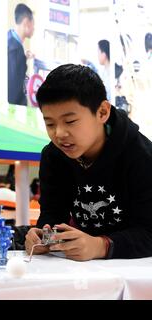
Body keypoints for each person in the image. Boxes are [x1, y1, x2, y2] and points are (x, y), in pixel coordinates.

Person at [25, 64, 152, 261]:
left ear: (102, 112)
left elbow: (148, 233)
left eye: (70, 122)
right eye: (50, 123)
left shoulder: (141, 155)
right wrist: (43, 236)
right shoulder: (54, 156)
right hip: (82, 273)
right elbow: (52, 214)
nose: (58, 134)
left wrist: (101, 245)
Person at [8, 3, 35, 106]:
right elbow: (13, 92)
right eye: (33, 24)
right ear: (26, 22)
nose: (34, 28)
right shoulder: (15, 51)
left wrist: (24, 57)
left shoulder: (9, 41)